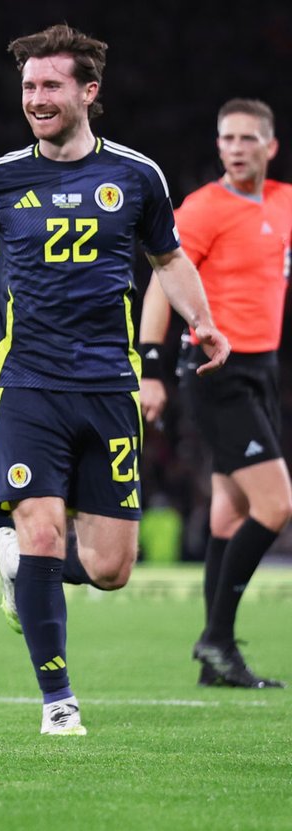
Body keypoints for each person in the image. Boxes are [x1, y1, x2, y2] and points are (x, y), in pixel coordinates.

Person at [0, 24, 229, 735]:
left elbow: (169, 261)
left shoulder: (137, 177)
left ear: (89, 92)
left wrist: (202, 322)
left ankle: (19, 567)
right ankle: (59, 702)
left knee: (111, 568)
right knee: (44, 532)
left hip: (109, 387)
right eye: (28, 86)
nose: (36, 98)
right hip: (26, 385)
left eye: (51, 85)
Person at [138, 98, 290, 689]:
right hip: (214, 371)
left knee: (231, 511)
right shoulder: (202, 208)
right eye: (227, 138)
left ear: (270, 146)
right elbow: (160, 287)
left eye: (248, 138)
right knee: (276, 506)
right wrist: (151, 370)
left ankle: (215, 660)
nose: (235, 148)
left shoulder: (283, 201)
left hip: (262, 370)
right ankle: (217, 638)